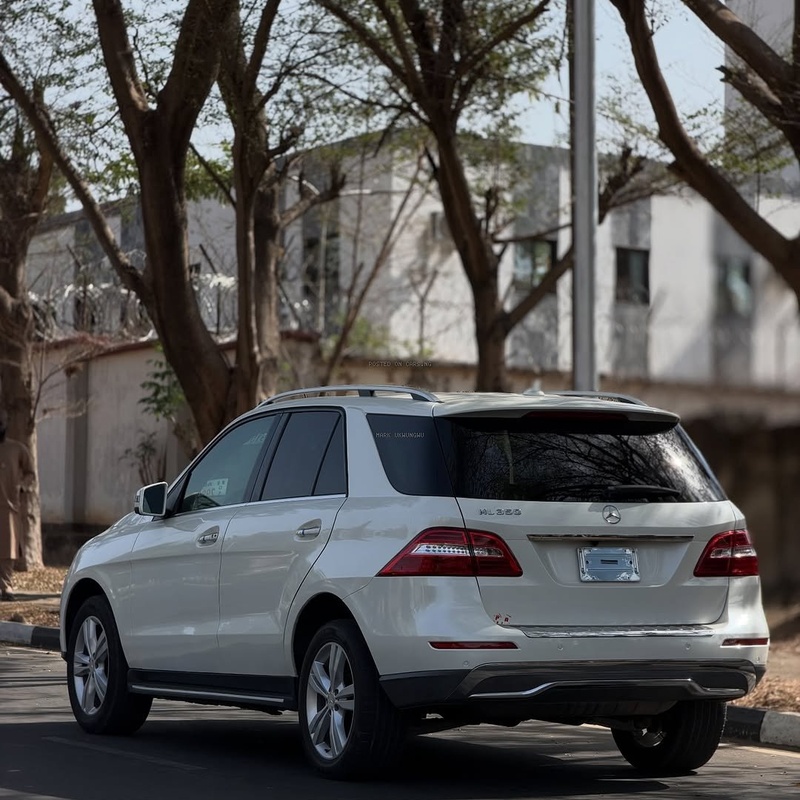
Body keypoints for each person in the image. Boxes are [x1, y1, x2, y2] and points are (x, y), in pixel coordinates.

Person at [0, 408, 35, 602]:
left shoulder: (17, 449)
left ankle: (6, 587)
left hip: (8, 507)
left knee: (7, 549)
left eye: (1, 424)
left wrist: (22, 486)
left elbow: (30, 473)